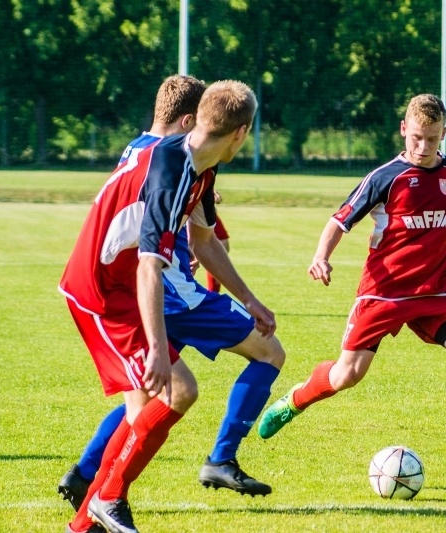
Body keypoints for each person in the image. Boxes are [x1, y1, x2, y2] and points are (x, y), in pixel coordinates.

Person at [257, 94, 446, 490]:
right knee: (347, 375)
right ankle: (295, 400)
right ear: (404, 129)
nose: (422, 147)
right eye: (416, 137)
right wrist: (321, 257)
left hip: (436, 290)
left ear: (444, 133)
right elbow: (339, 221)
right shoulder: (386, 177)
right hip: (384, 292)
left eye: (431, 139)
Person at [58, 75, 284, 521]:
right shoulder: (170, 173)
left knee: (147, 406)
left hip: (125, 287)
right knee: (175, 390)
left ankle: (88, 517)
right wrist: (159, 352)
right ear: (242, 133)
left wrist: (249, 299)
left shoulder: (202, 165)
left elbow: (203, 242)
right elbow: (149, 267)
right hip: (101, 293)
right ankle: (104, 501)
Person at [206, 190, 230, 292]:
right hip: (188, 210)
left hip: (205, 210)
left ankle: (213, 294)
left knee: (221, 248)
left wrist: (210, 190)